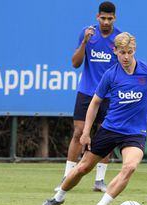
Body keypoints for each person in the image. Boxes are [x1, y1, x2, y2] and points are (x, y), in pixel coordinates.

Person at [39, 32, 147, 205]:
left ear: (134, 50)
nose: (126, 57)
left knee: (130, 167)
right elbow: (95, 103)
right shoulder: (111, 75)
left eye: (129, 52)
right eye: (122, 52)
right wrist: (86, 132)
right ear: (115, 51)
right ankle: (58, 197)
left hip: (135, 133)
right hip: (110, 129)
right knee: (83, 168)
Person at [54, 1, 122, 193]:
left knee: (105, 134)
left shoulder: (119, 38)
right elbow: (75, 63)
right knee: (78, 132)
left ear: (114, 18)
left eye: (110, 18)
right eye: (103, 18)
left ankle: (99, 180)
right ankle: (67, 176)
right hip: (86, 92)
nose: (106, 22)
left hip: (109, 95)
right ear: (97, 17)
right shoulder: (87, 34)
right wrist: (84, 41)